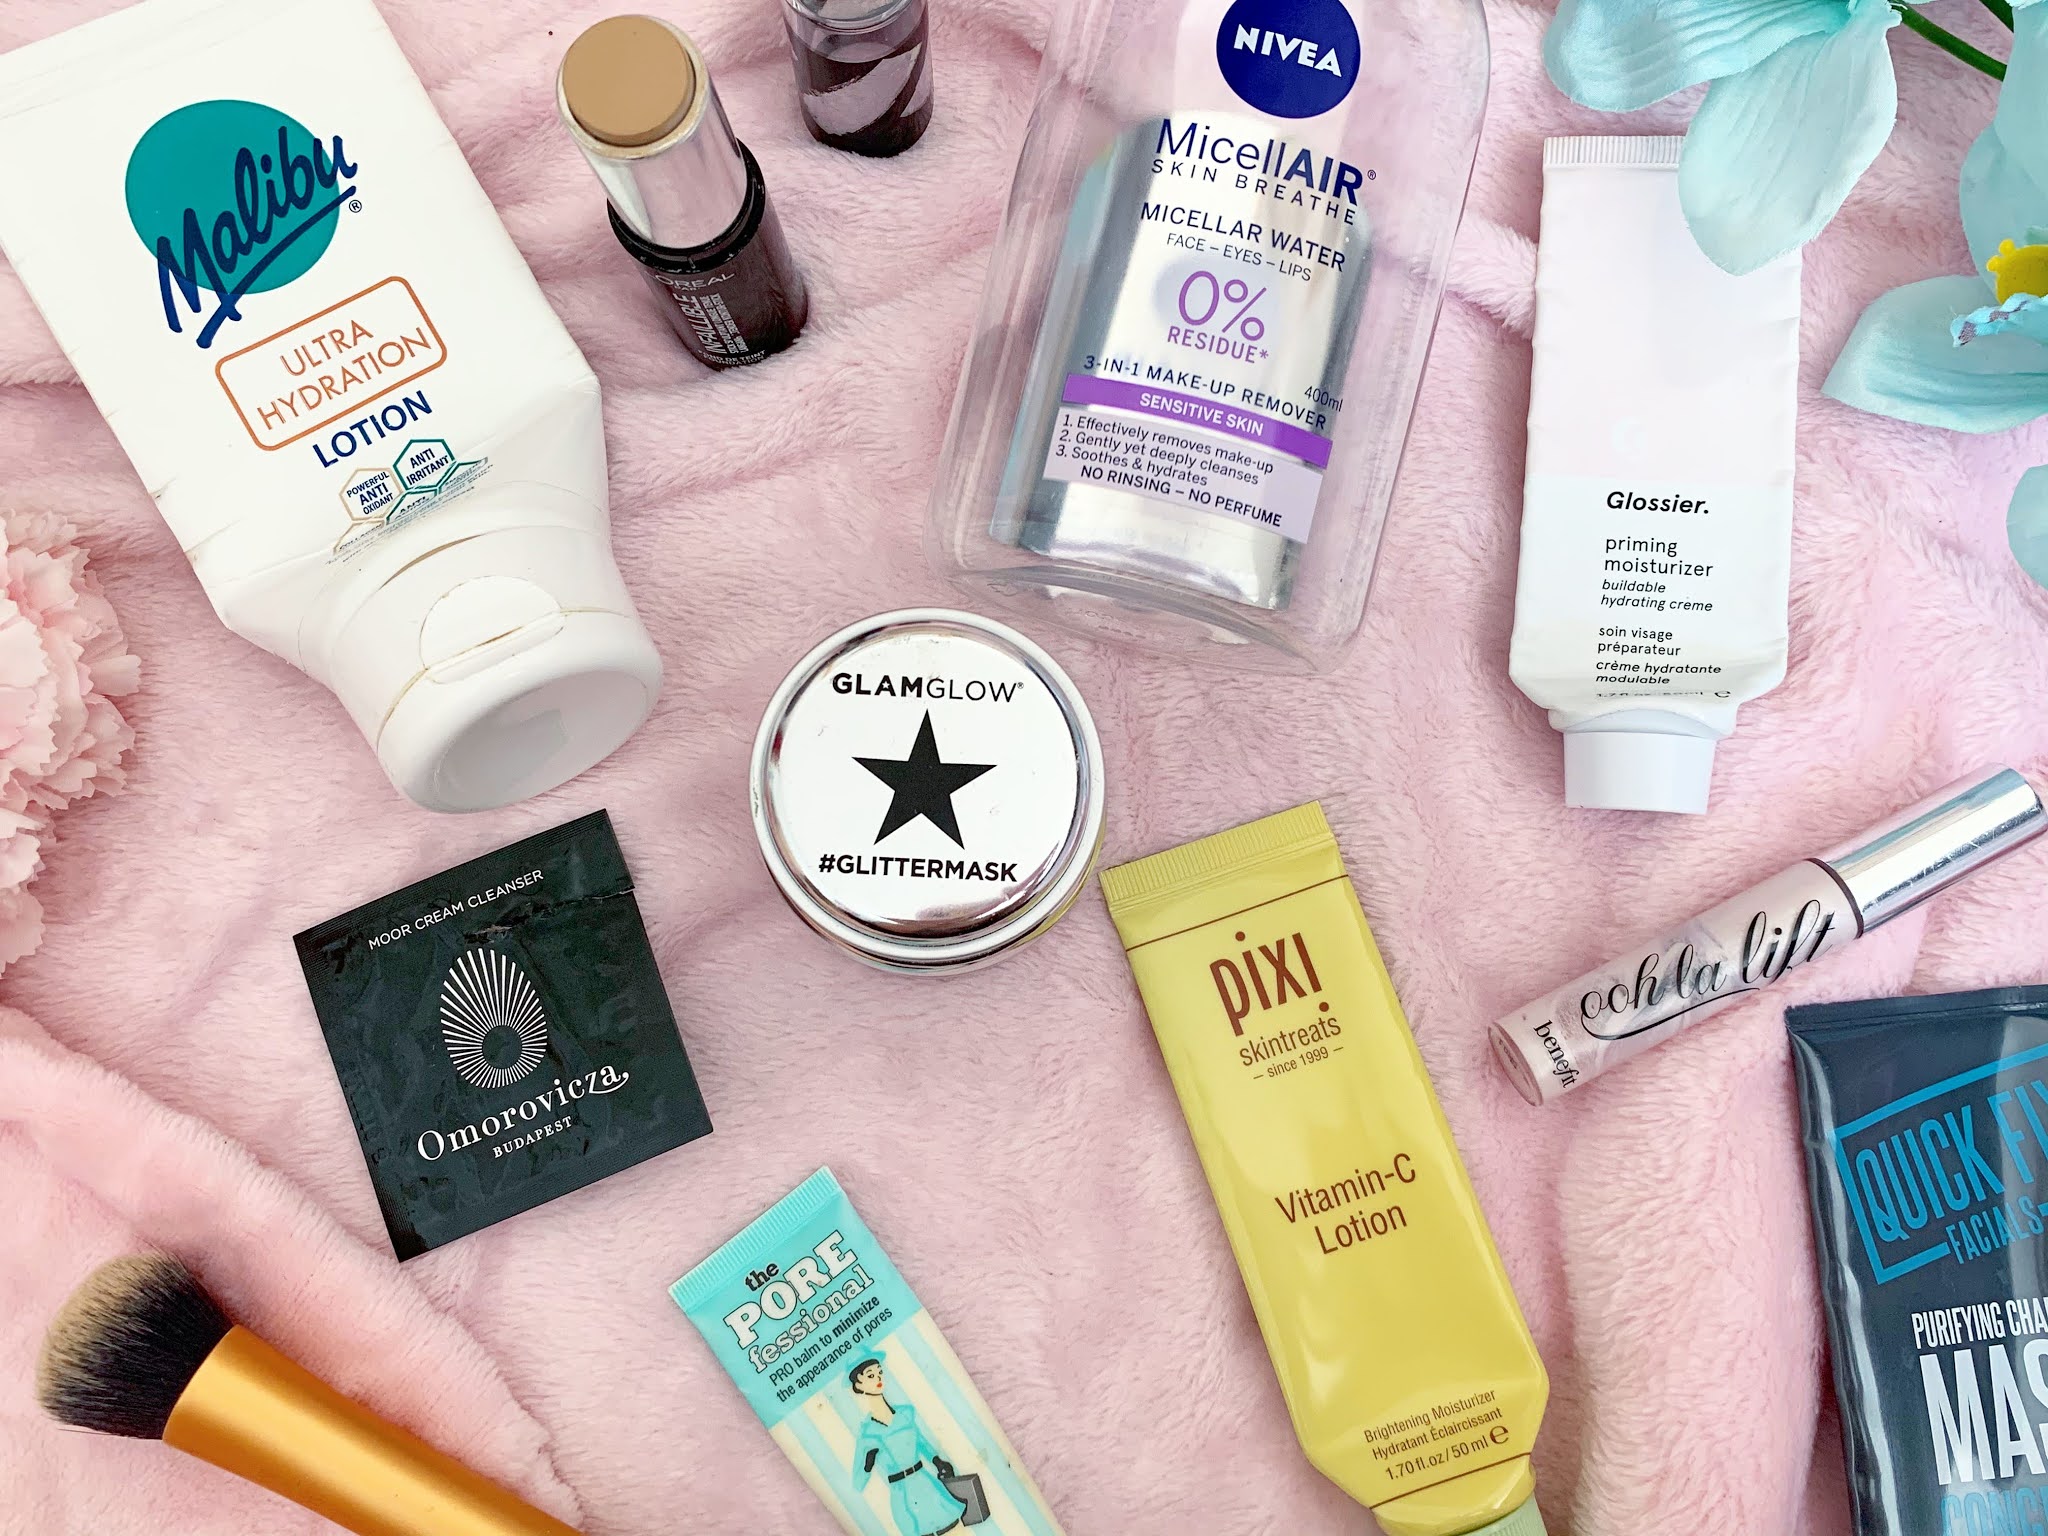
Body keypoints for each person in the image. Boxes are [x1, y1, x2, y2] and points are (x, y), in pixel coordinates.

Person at [847, 1357, 969, 1536]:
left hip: (924, 1483)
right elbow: (857, 1484)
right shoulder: (867, 1433)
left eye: (880, 1372)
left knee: (949, 1526)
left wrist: (937, 1460)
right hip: (901, 1492)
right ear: (859, 1385)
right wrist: (867, 1464)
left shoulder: (905, 1414)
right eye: (870, 1376)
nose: (878, 1378)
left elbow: (921, 1442)